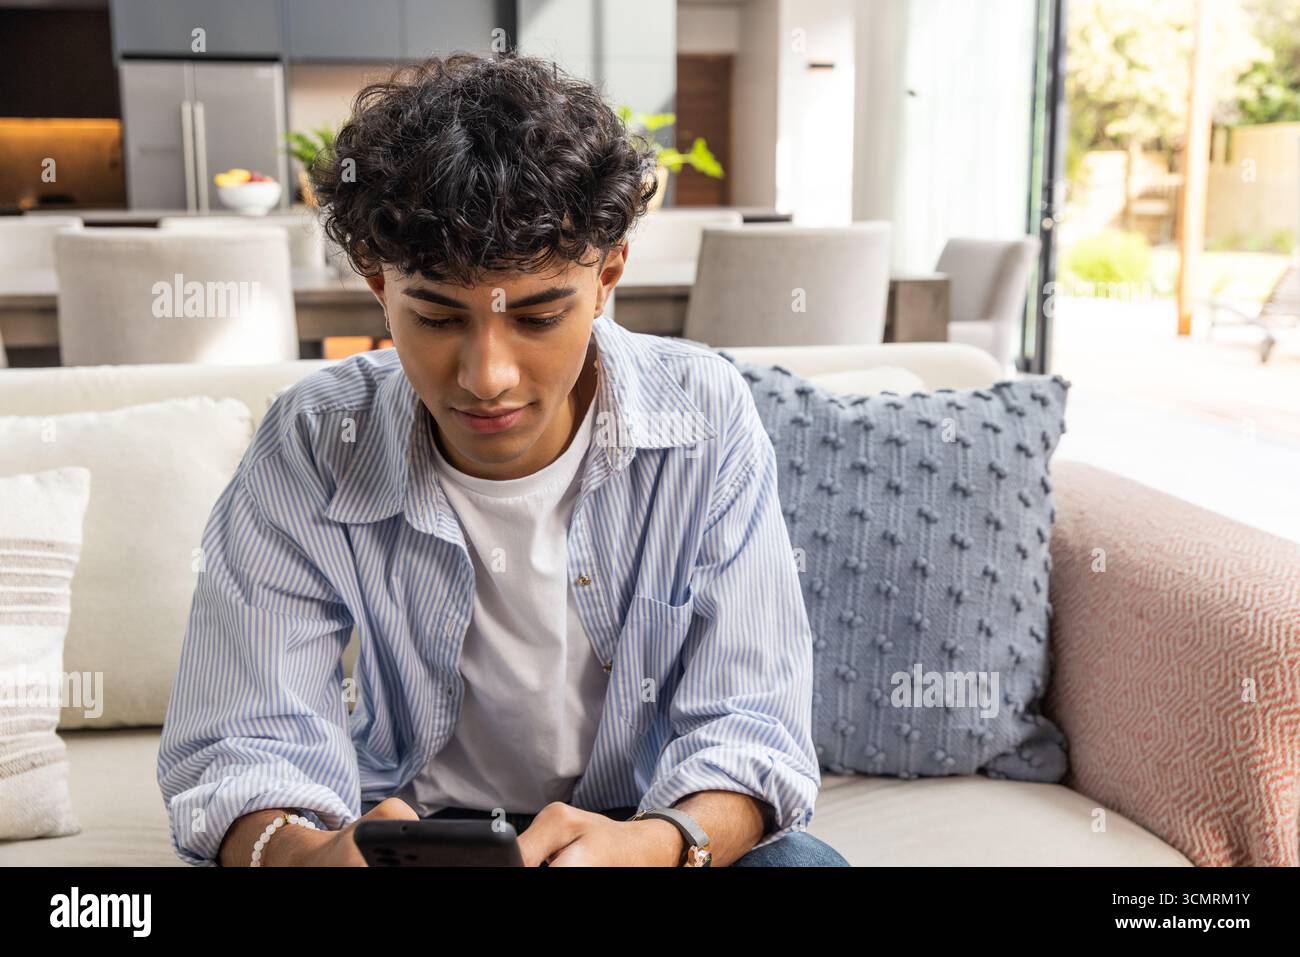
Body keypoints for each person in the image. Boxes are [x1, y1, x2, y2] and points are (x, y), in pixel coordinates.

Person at [156, 51, 847, 868]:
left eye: (539, 314)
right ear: (381, 286)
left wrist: (662, 845)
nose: (488, 378)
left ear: (607, 277)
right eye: (440, 318)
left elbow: (752, 723)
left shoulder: (705, 414)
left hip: (640, 822)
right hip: (413, 833)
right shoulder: (314, 439)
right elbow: (242, 737)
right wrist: (306, 854)